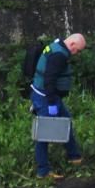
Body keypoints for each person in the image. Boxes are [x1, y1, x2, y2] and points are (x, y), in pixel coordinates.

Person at [30, 33, 87, 180]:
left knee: (65, 120)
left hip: (49, 95)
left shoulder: (56, 45)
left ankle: (74, 156)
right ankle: (43, 171)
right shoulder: (59, 56)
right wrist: (51, 104)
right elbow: (49, 79)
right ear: (73, 44)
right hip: (46, 97)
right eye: (78, 51)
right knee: (44, 132)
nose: (77, 54)